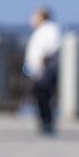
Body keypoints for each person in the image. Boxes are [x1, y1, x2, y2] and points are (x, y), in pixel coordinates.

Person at [25, 7, 61, 135]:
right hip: (37, 70)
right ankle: (44, 122)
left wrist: (43, 63)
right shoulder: (41, 30)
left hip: (45, 70)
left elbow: (51, 48)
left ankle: (47, 123)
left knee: (44, 97)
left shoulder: (50, 29)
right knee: (40, 97)